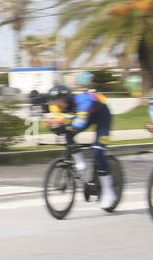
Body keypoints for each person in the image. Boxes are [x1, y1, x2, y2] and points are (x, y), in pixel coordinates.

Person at [44, 74, 114, 203]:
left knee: (98, 152)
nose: (55, 105)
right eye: (53, 102)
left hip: (103, 116)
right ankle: (80, 161)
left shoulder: (82, 100)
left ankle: (109, 192)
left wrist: (69, 126)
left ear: (65, 98)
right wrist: (54, 124)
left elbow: (79, 122)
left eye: (58, 102)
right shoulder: (59, 105)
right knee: (67, 132)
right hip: (87, 117)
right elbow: (59, 119)